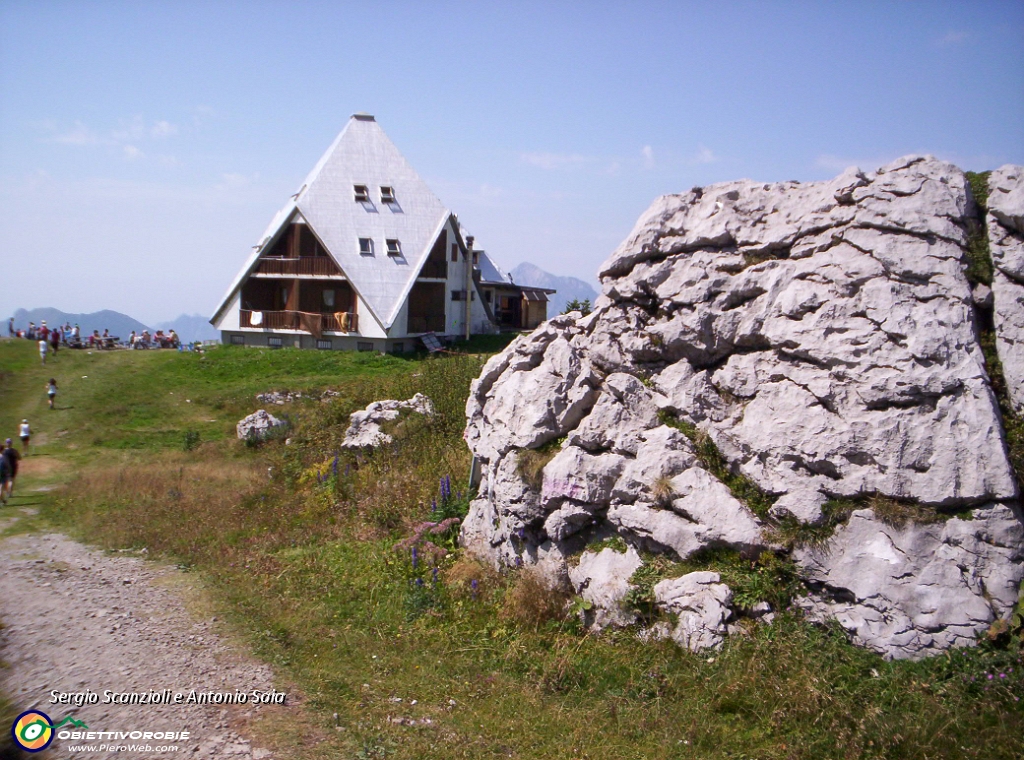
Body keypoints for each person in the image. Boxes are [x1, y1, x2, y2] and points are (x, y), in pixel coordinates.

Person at [1, 439, 19, 503]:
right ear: (11, 443)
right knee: (11, 480)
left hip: (4, 468)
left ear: (6, 443)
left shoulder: (3, 451)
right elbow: (19, 457)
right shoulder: (14, 450)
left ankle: (7, 493)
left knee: (7, 481)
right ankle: (9, 493)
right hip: (13, 467)